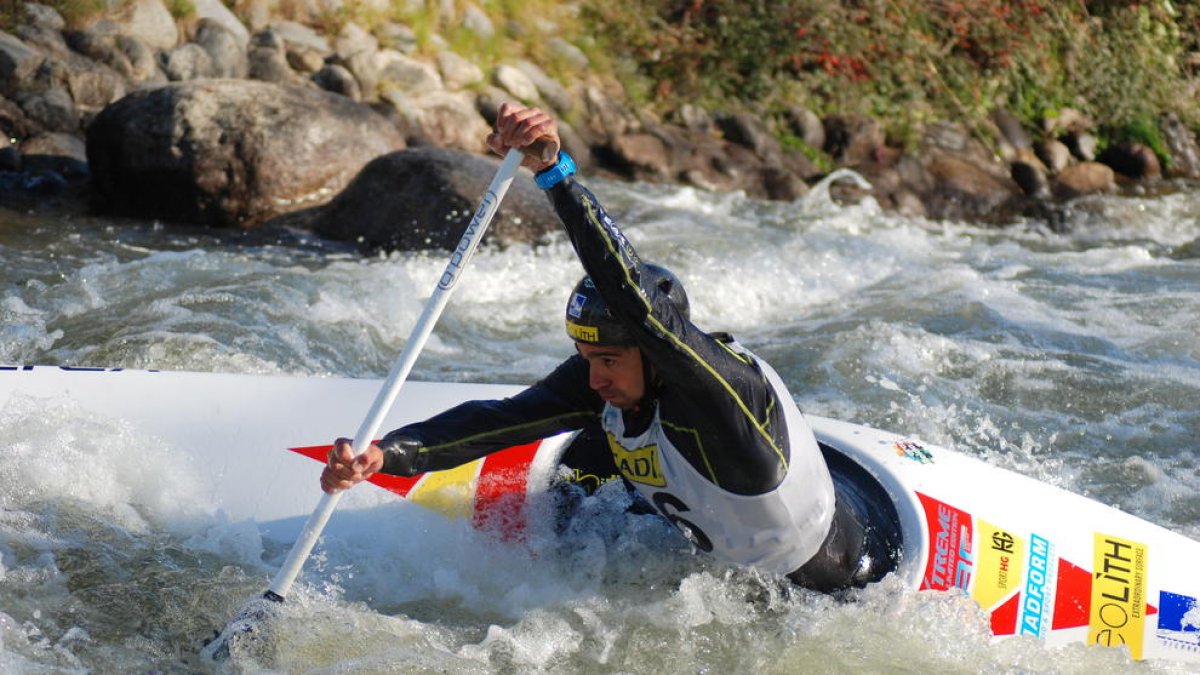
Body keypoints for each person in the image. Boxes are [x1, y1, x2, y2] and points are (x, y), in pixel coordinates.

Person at [321, 103, 896, 592]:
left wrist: (556, 175)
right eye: (589, 358)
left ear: (654, 350)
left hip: (828, 579)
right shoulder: (605, 381)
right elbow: (500, 422)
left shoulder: (721, 395)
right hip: (715, 538)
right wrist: (387, 455)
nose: (594, 377)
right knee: (585, 429)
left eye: (610, 359)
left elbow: (635, 300)